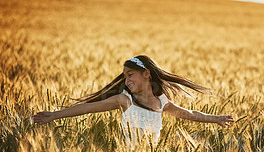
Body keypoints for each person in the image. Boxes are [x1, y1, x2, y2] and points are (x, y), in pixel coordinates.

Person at [32, 55, 235, 146]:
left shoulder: (161, 102)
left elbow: (188, 114)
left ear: (146, 74)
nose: (127, 80)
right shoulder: (124, 100)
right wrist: (54, 115)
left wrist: (214, 118)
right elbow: (89, 108)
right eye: (125, 77)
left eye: (130, 75)